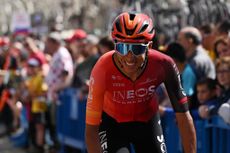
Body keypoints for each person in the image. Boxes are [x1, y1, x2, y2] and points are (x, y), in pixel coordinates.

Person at [85, 12, 196, 153]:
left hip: (147, 122)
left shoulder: (164, 64)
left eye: (137, 49)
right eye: (122, 48)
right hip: (113, 125)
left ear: (149, 47)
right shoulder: (102, 69)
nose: (129, 58)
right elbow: (91, 129)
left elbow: (184, 117)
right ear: (114, 46)